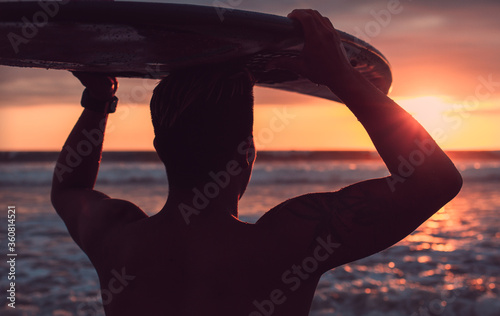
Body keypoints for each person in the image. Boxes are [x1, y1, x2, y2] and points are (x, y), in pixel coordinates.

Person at [51, 9, 462, 316]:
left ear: (160, 146)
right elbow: (435, 180)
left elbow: (69, 189)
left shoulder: (116, 240)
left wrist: (100, 99)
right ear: (247, 152)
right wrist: (340, 76)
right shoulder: (288, 244)